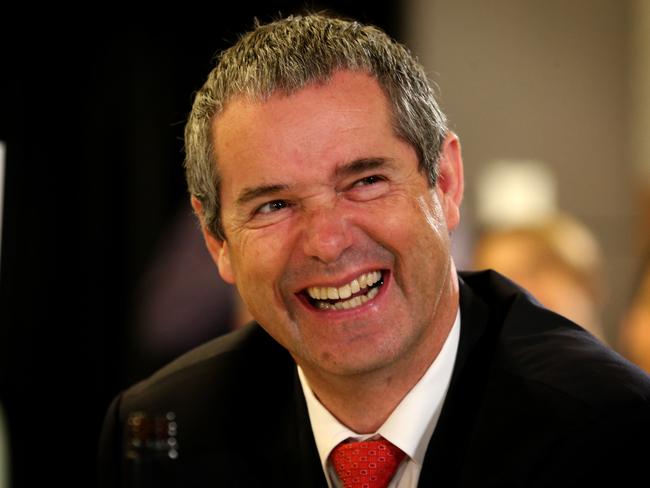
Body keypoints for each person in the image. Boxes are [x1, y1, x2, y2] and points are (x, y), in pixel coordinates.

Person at [98, 13, 650, 487]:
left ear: (448, 183)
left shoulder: (612, 431)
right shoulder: (164, 428)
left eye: (365, 182)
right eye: (274, 205)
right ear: (216, 240)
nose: (327, 242)